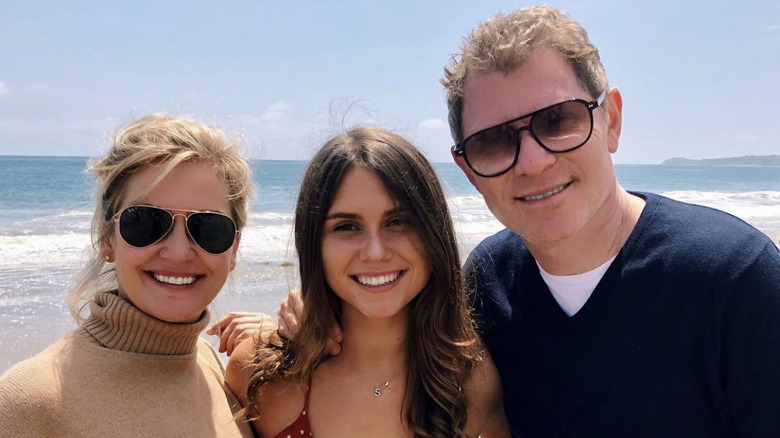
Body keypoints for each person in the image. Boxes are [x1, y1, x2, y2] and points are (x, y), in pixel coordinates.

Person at [440, 5, 780, 437]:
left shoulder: (734, 279)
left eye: (557, 119)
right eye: (491, 141)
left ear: (611, 121)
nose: (532, 161)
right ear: (468, 169)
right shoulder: (486, 284)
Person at [226, 127, 508, 437]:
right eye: (347, 226)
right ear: (313, 244)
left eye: (398, 222)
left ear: (433, 234)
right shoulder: (260, 375)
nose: (375, 252)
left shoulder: (470, 380)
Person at [0, 114, 259, 437]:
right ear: (108, 238)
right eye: (147, 222)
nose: (178, 252)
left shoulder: (209, 363)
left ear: (233, 248)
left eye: (208, 228)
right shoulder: (32, 399)